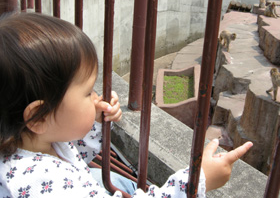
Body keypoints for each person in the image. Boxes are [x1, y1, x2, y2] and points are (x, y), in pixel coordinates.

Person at [0, 12, 253, 197]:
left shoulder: (26, 143)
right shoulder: (49, 186)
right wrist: (198, 180)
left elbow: (71, 158)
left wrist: (95, 121)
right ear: (38, 117)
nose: (97, 96)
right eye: (88, 92)